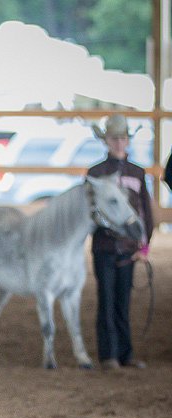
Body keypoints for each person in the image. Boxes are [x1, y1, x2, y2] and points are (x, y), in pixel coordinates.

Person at [87, 115, 153, 370]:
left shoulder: (138, 173)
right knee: (106, 299)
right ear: (106, 140)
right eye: (114, 138)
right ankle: (108, 355)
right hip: (104, 247)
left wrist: (144, 245)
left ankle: (125, 354)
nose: (119, 143)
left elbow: (145, 212)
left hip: (128, 248)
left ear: (127, 141)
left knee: (122, 302)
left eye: (123, 138)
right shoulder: (95, 174)